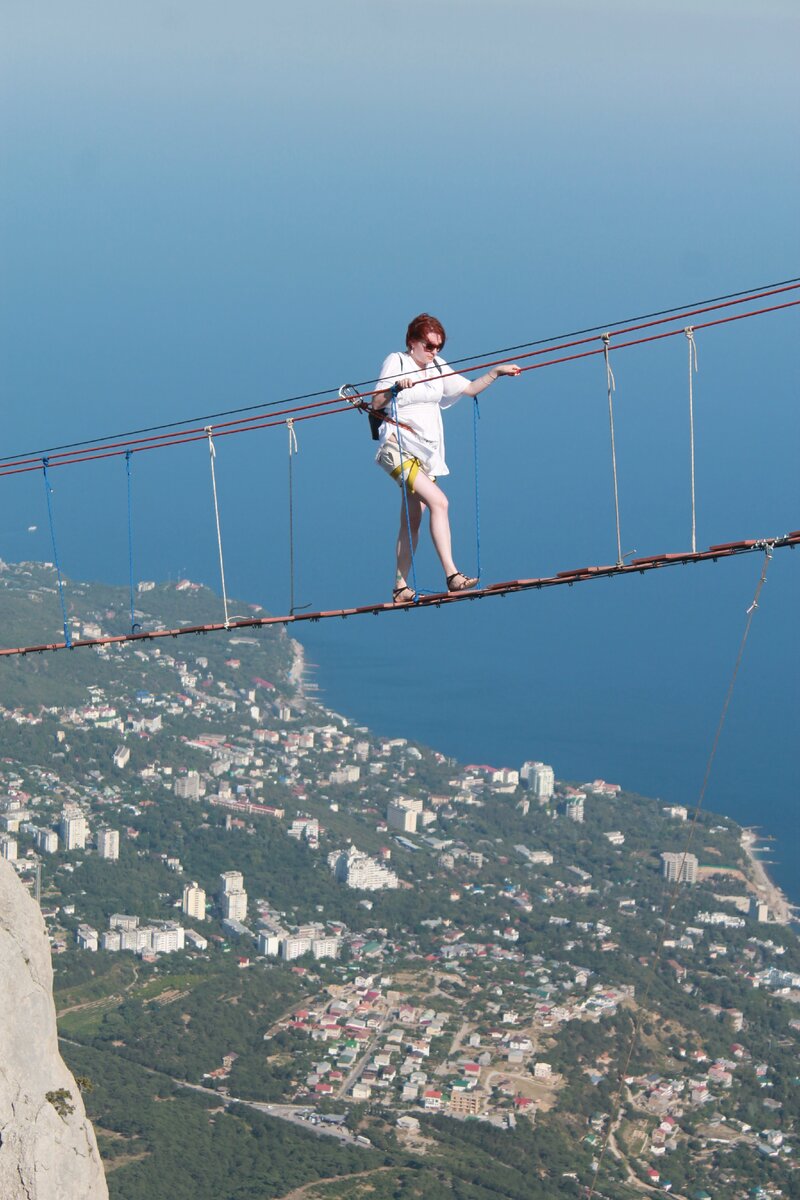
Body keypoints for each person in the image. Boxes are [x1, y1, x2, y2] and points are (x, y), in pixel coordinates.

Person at [371, 313, 520, 603]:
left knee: (413, 519)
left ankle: (400, 588)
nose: (434, 351)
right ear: (412, 342)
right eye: (429, 345)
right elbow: (377, 401)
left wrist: (497, 372)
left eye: (438, 346)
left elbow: (468, 388)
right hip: (397, 447)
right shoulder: (396, 361)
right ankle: (452, 575)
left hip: (426, 454)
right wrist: (394, 388)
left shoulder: (437, 366)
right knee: (439, 502)